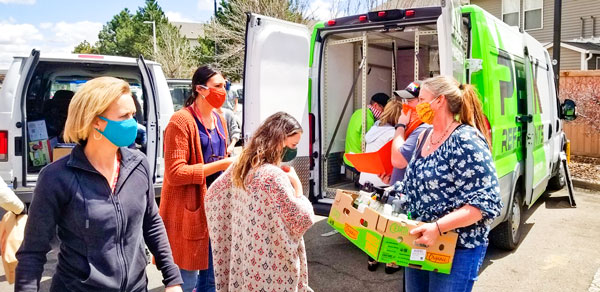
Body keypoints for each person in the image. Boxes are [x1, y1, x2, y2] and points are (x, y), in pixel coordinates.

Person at [15, 77, 183, 292]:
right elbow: (32, 252)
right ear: (95, 120)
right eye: (124, 116)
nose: (133, 123)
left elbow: (151, 222)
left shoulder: (138, 163)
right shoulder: (56, 177)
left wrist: (172, 278)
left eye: (133, 114)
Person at [399, 75, 502, 292]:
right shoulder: (423, 135)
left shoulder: (465, 139)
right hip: (419, 240)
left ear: (439, 101)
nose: (417, 105)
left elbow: (486, 202)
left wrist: (438, 227)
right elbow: (413, 186)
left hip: (457, 249)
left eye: (422, 99)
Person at [205, 112, 315, 292]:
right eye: (293, 145)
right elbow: (302, 219)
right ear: (279, 140)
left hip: (245, 263)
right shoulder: (273, 176)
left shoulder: (242, 165)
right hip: (272, 270)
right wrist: (297, 185)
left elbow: (213, 195)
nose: (294, 150)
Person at [159, 66, 235, 292]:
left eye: (225, 86)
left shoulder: (220, 118)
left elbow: (220, 155)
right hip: (189, 210)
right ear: (200, 89)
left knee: (212, 279)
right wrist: (222, 164)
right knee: (186, 279)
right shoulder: (180, 121)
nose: (224, 91)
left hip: (216, 208)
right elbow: (175, 173)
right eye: (218, 86)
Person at [343, 93, 390, 182]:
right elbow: (364, 146)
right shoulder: (368, 119)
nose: (384, 113)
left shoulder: (358, 112)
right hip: (357, 162)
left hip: (349, 158)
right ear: (376, 105)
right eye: (384, 109)